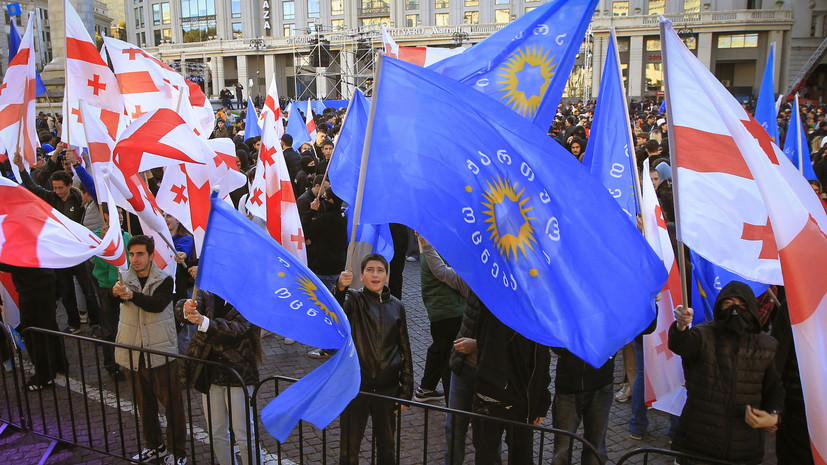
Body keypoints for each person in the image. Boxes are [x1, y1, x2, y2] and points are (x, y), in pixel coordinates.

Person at [669, 281, 783, 465]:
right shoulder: (703, 335)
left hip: (744, 451)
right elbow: (680, 344)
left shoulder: (767, 346)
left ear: (752, 308)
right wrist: (681, 326)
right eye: (728, 304)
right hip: (696, 448)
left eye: (742, 305)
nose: (735, 310)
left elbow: (775, 389)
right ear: (719, 306)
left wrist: (773, 415)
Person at [112, 235, 187, 465]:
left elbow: (157, 304)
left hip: (160, 352)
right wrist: (113, 293)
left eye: (140, 254)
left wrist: (132, 296)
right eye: (132, 254)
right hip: (134, 352)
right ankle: (154, 446)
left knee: (172, 404)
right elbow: (107, 306)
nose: (135, 259)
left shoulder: (165, 279)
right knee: (144, 405)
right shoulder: (123, 279)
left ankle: (178, 451)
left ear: (152, 255)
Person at [335, 254, 413, 465]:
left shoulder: (397, 306)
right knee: (349, 450)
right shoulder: (354, 300)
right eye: (370, 270)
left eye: (380, 270)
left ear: (387, 276)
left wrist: (406, 390)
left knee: (387, 449)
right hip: (356, 389)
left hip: (387, 390)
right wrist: (340, 289)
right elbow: (337, 313)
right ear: (361, 275)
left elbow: (404, 348)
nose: (375, 274)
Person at [182, 290, 261, 465]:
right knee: (217, 433)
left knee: (244, 435)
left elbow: (239, 329)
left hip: (238, 373)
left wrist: (204, 322)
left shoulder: (250, 295)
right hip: (209, 373)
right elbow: (190, 303)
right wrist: (185, 306)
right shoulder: (209, 291)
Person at [472, 305, 551, 465]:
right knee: (487, 455)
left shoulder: (536, 315)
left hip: (521, 401)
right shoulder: (493, 306)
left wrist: (542, 401)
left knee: (521, 456)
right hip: (491, 395)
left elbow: (541, 362)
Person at [413, 237, 464, 404]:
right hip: (449, 310)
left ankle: (426, 388)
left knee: (439, 349)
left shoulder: (432, 244)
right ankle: (453, 408)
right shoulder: (431, 246)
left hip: (440, 309)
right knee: (450, 359)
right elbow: (443, 272)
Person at [551, 349, 613, 465]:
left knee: (596, 448)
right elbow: (553, 338)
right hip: (568, 384)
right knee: (562, 448)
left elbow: (647, 329)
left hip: (601, 383)